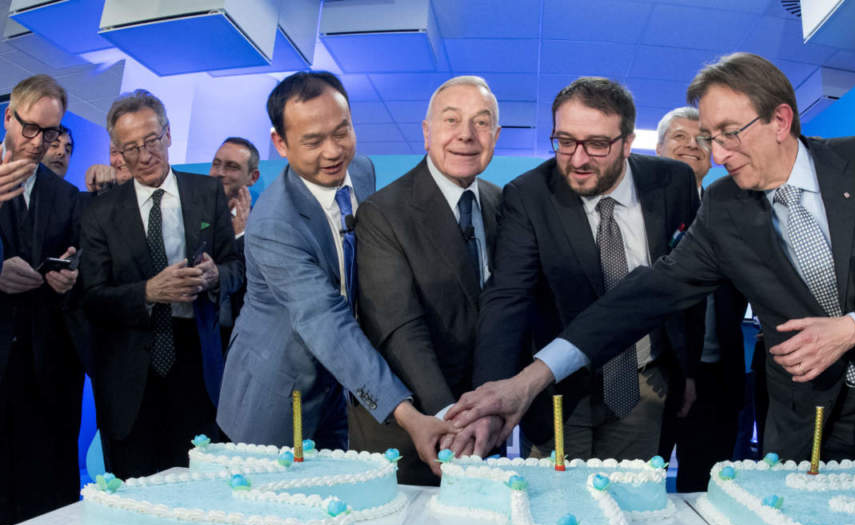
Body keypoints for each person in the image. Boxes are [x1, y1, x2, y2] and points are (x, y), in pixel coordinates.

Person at [448, 53, 855, 499]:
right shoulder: (725, 207)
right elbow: (644, 296)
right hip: (813, 423)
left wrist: (852, 329)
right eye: (710, 137)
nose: (717, 155)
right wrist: (529, 380)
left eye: (729, 135)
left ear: (780, 120)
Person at [217, 71, 451, 473]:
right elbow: (326, 320)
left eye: (342, 132)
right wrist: (409, 416)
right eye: (313, 141)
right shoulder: (274, 223)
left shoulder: (361, 171)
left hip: (342, 387)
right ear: (280, 143)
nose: (333, 152)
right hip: (278, 390)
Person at [461, 77, 702, 461]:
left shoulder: (674, 182)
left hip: (643, 386)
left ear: (627, 142)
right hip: (558, 393)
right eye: (565, 141)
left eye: (597, 144)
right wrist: (489, 398)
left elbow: (685, 286)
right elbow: (507, 300)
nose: (578, 159)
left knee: (629, 495)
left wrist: (688, 372)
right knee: (555, 496)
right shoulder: (529, 195)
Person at [79, 89, 243, 480]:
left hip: (195, 363)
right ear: (117, 151)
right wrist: (149, 292)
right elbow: (92, 297)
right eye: (131, 148)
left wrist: (216, 276)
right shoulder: (99, 211)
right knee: (133, 491)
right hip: (129, 373)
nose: (144, 155)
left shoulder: (206, 194)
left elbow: (237, 267)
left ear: (168, 134)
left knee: (199, 485)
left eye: (151, 140)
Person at [351, 76, 502, 484]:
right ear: (426, 132)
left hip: (485, 428)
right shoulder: (383, 213)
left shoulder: (501, 203)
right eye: (451, 120)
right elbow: (399, 327)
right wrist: (452, 420)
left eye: (481, 122)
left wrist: (488, 411)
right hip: (415, 430)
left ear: (496, 136)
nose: (466, 135)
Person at [0, 75, 85, 525]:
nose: (39, 143)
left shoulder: (67, 196)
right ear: (8, 117)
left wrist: (70, 275)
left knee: (45, 498)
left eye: (51, 133)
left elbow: (83, 264)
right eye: (31, 128)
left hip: (48, 367)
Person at [655, 106, 748, 491]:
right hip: (655, 377)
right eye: (679, 136)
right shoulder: (638, 213)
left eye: (703, 139)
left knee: (706, 492)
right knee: (639, 488)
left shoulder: (733, 211)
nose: (692, 145)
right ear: (658, 148)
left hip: (717, 376)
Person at [209, 136, 259, 346]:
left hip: (243, 341)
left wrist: (240, 236)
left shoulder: (263, 225)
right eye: (216, 164)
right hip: (195, 336)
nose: (220, 173)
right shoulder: (191, 215)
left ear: (252, 177)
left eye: (232, 167)